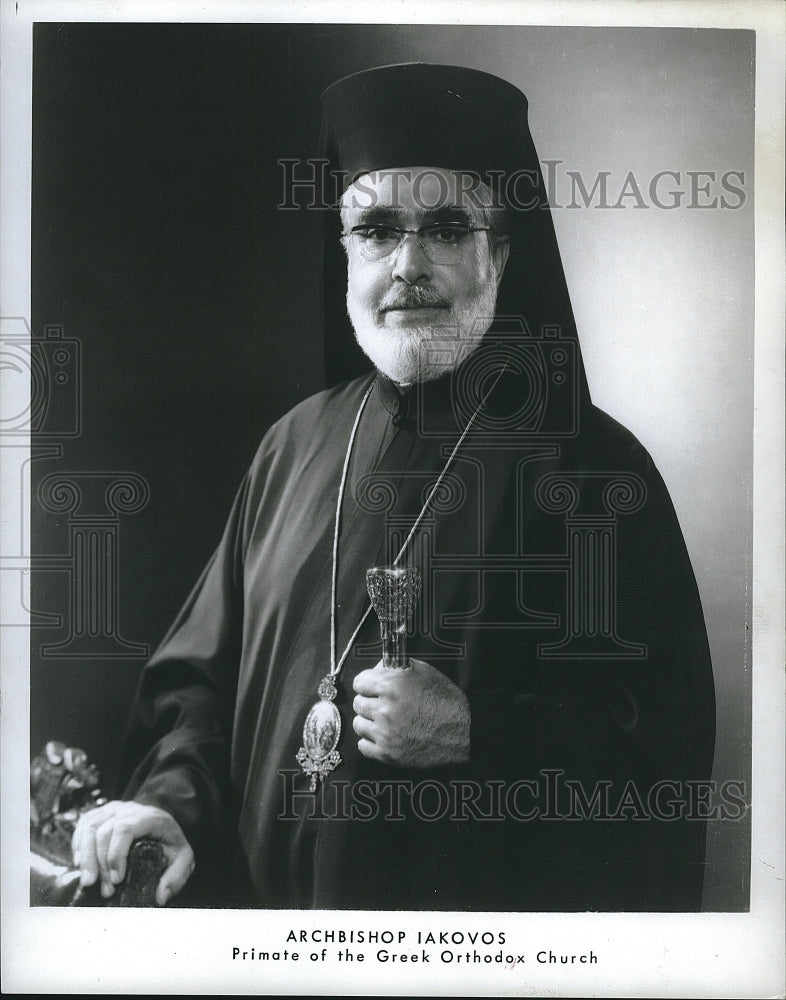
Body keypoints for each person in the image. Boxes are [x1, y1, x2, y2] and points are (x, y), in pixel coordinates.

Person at [72, 63, 715, 911]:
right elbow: (198, 690)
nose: (408, 264)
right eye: (376, 229)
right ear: (344, 253)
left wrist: (483, 735)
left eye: (447, 227)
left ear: (501, 252)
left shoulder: (593, 472)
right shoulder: (291, 448)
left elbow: (660, 743)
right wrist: (173, 805)